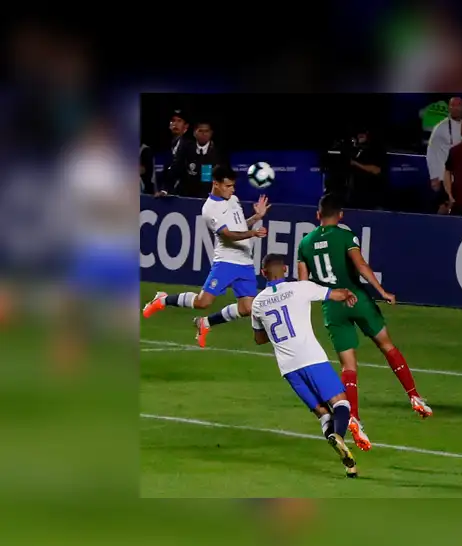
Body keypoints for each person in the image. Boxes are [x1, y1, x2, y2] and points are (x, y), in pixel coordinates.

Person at [297, 194, 433, 450]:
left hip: (332, 306)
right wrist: (381, 291)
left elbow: (304, 285)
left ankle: (355, 418)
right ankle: (414, 397)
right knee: (387, 345)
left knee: (349, 366)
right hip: (356, 298)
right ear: (340, 215)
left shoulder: (305, 243)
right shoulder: (346, 236)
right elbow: (360, 265)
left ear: (317, 215)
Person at [251, 253, 361, 478]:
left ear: (263, 273)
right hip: (312, 358)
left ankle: (348, 464)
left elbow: (259, 339)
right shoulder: (301, 288)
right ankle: (339, 436)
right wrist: (348, 293)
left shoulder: (257, 303)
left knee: (322, 414)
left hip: (288, 367)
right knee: (341, 402)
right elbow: (335, 294)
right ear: (284, 270)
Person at [142, 166, 270, 348]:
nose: (232, 190)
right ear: (216, 184)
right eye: (228, 186)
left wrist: (256, 217)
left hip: (245, 262)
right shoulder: (209, 208)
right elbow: (228, 234)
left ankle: (206, 323)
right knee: (203, 302)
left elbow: (240, 227)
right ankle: (162, 299)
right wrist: (253, 233)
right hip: (226, 261)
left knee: (247, 308)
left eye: (233, 186)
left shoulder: (233, 199)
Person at [426, 96, 462, 194]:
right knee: (445, 206)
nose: (456, 108)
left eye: (459, 105)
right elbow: (431, 152)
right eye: (453, 105)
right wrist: (434, 176)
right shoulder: (440, 127)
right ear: (449, 108)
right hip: (445, 177)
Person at [156, 109, 194, 197]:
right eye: (173, 121)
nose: (175, 124)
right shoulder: (165, 145)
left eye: (179, 121)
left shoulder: (190, 146)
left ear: (186, 126)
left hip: (186, 195)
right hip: (170, 194)